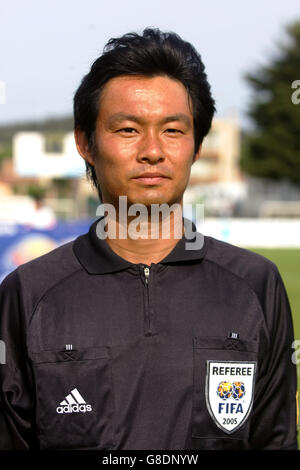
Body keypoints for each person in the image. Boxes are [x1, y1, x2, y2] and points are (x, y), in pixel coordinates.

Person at [0, 28, 298, 451]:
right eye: (127, 130)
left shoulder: (256, 285)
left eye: (173, 131)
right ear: (85, 143)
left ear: (196, 146)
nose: (153, 151)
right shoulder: (26, 295)